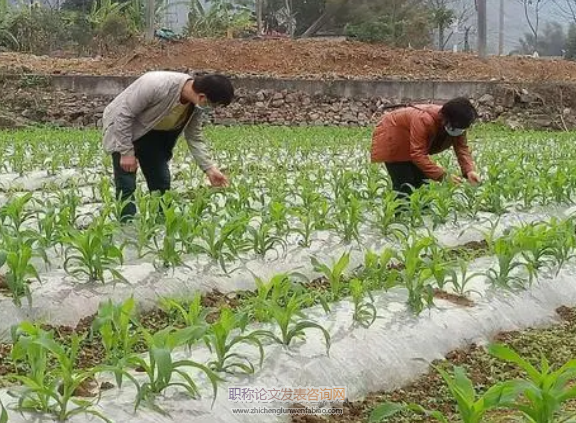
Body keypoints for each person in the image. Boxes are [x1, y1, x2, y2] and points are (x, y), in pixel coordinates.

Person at [101, 71, 234, 221]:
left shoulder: (196, 105)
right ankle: (126, 227)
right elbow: (123, 115)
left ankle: (162, 226)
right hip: (123, 130)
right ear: (202, 97)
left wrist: (209, 169)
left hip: (154, 136)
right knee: (126, 185)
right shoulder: (156, 84)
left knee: (161, 181)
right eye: (213, 105)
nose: (212, 109)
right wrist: (126, 152)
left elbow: (194, 136)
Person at [370, 97, 481, 199]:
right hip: (393, 136)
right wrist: (444, 176)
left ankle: (422, 213)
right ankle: (402, 216)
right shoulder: (423, 119)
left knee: (423, 183)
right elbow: (418, 154)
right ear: (445, 119)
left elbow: (461, 148)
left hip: (412, 140)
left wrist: (469, 170)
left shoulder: (458, 123)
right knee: (405, 183)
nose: (460, 131)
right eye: (457, 128)